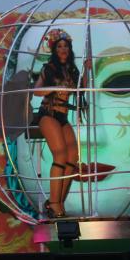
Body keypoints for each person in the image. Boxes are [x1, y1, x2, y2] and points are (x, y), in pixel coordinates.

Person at [33, 29, 88, 218]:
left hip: (63, 117)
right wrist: (53, 88)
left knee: (73, 156)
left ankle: (58, 202)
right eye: (60, 46)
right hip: (48, 114)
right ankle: (54, 203)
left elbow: (82, 88)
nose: (63, 49)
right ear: (55, 50)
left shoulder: (72, 70)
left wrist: (87, 69)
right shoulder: (49, 68)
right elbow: (36, 91)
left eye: (66, 46)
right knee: (61, 154)